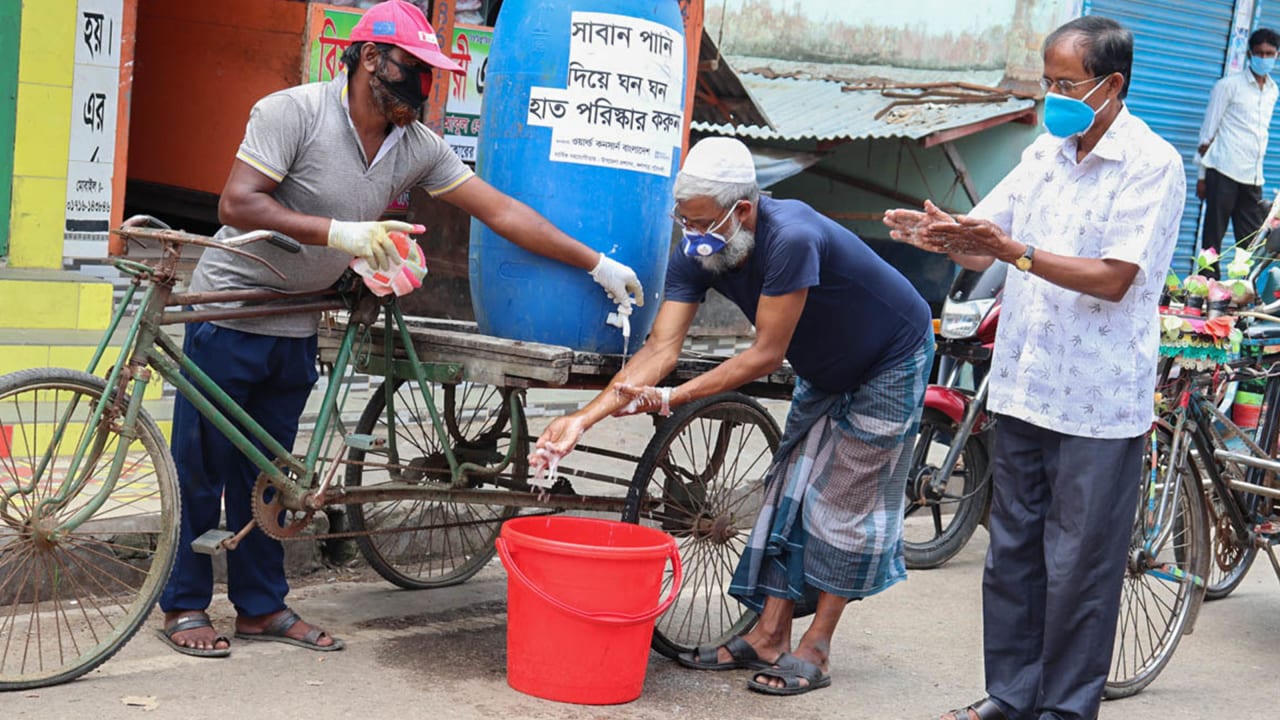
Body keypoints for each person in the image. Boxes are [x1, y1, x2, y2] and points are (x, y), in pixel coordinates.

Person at [157, 0, 643, 657]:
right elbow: (237, 202)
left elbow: (498, 209)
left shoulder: (414, 142)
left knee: (270, 475)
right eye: (410, 67)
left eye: (429, 71)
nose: (422, 83)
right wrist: (337, 232)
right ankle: (185, 607)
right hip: (232, 311)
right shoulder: (291, 113)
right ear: (362, 59)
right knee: (201, 469)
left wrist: (596, 262)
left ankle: (261, 608)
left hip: (299, 323)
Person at [533, 136, 933, 697]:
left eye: (701, 222)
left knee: (844, 499)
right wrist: (583, 418)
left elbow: (765, 355)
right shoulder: (699, 250)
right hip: (827, 363)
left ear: (742, 209)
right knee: (788, 486)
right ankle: (769, 635)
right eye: (683, 221)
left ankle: (815, 644)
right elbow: (659, 350)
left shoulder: (790, 237)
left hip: (891, 354)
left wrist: (675, 399)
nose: (691, 235)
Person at [884, 16, 1184, 720]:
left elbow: (1114, 277)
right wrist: (943, 234)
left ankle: (1064, 708)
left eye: (1065, 83)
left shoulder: (1151, 163)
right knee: (1012, 553)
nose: (1053, 97)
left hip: (1097, 403)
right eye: (1046, 82)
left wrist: (1013, 251)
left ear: (1111, 85)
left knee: (1080, 567)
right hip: (1023, 385)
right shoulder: (1046, 152)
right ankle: (1010, 696)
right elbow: (986, 244)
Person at [1196, 27, 1279, 278]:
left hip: (1253, 177)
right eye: (1259, 53)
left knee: (1251, 242)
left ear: (1277, 55)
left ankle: (1241, 291)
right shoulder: (1228, 86)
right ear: (1249, 54)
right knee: (1213, 238)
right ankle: (1205, 286)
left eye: (1269, 53)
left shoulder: (1273, 91)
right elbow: (1207, 134)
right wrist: (1202, 175)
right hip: (1223, 171)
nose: (1263, 58)